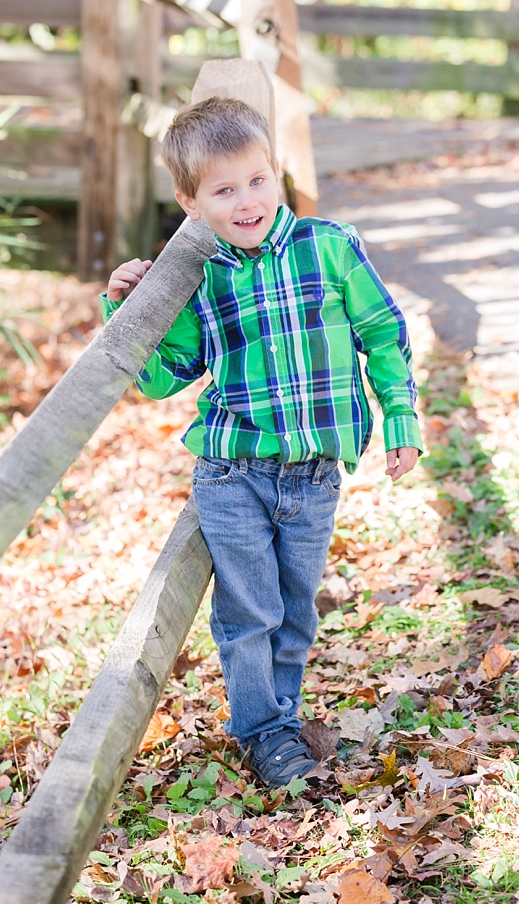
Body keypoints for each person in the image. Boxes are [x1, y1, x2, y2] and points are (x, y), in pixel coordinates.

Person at [101, 97, 422, 786]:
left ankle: (280, 715)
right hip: (233, 474)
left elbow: (384, 336)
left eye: (256, 179)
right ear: (191, 202)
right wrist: (128, 306)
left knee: (295, 612)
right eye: (223, 190)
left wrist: (401, 419)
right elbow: (160, 380)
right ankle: (264, 734)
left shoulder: (330, 246)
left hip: (313, 478)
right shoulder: (198, 278)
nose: (246, 201)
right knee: (249, 611)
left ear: (274, 171)